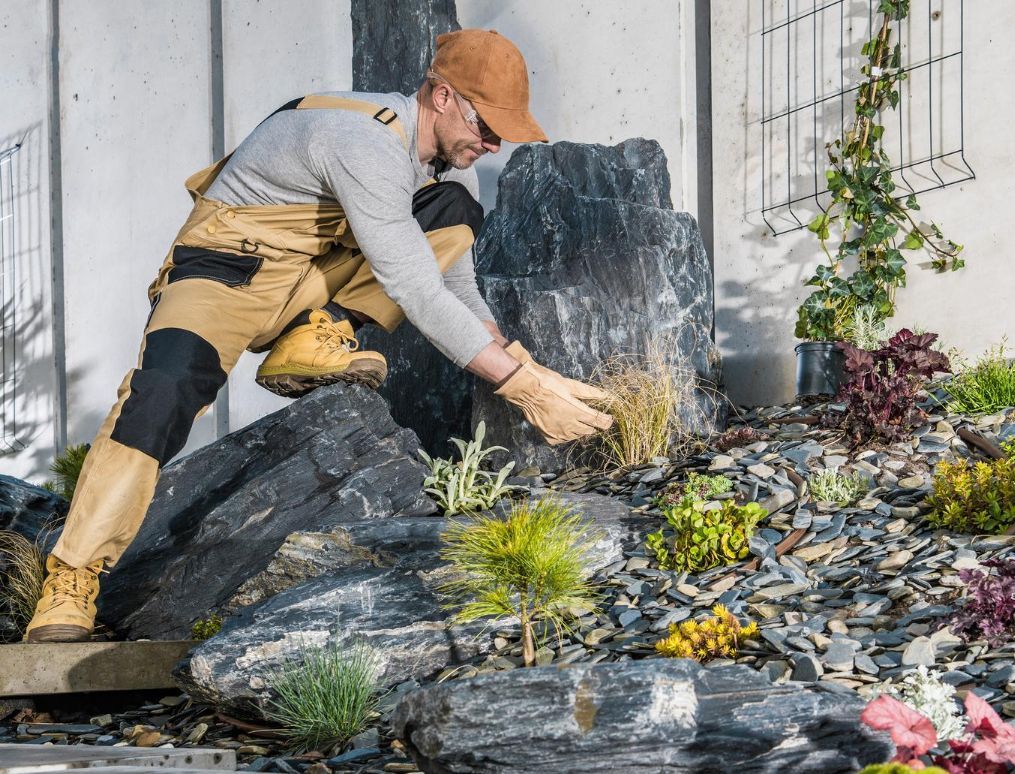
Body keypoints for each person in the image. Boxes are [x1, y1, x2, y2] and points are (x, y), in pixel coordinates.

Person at [25, 29, 613, 643]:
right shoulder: (361, 140)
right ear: (441, 96)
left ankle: (312, 335)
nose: (492, 145)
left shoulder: (442, 174)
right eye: (486, 126)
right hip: (225, 272)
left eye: (502, 133)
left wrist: (528, 367)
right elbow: (414, 288)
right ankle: (71, 579)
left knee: (453, 211)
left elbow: (455, 285)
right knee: (161, 395)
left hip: (306, 278)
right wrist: (521, 389)